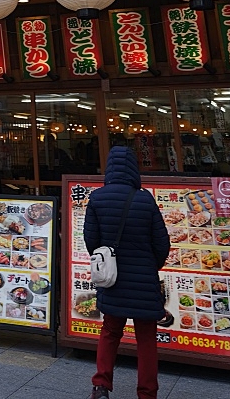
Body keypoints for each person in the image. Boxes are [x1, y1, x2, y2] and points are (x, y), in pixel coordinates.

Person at [83, 144, 170, 399]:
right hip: (144, 280)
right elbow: (162, 244)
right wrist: (149, 266)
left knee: (110, 331)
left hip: (113, 279)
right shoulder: (145, 199)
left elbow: (91, 241)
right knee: (146, 338)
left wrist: (107, 259)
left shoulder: (97, 198)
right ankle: (147, 392)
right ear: (134, 168)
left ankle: (101, 386)